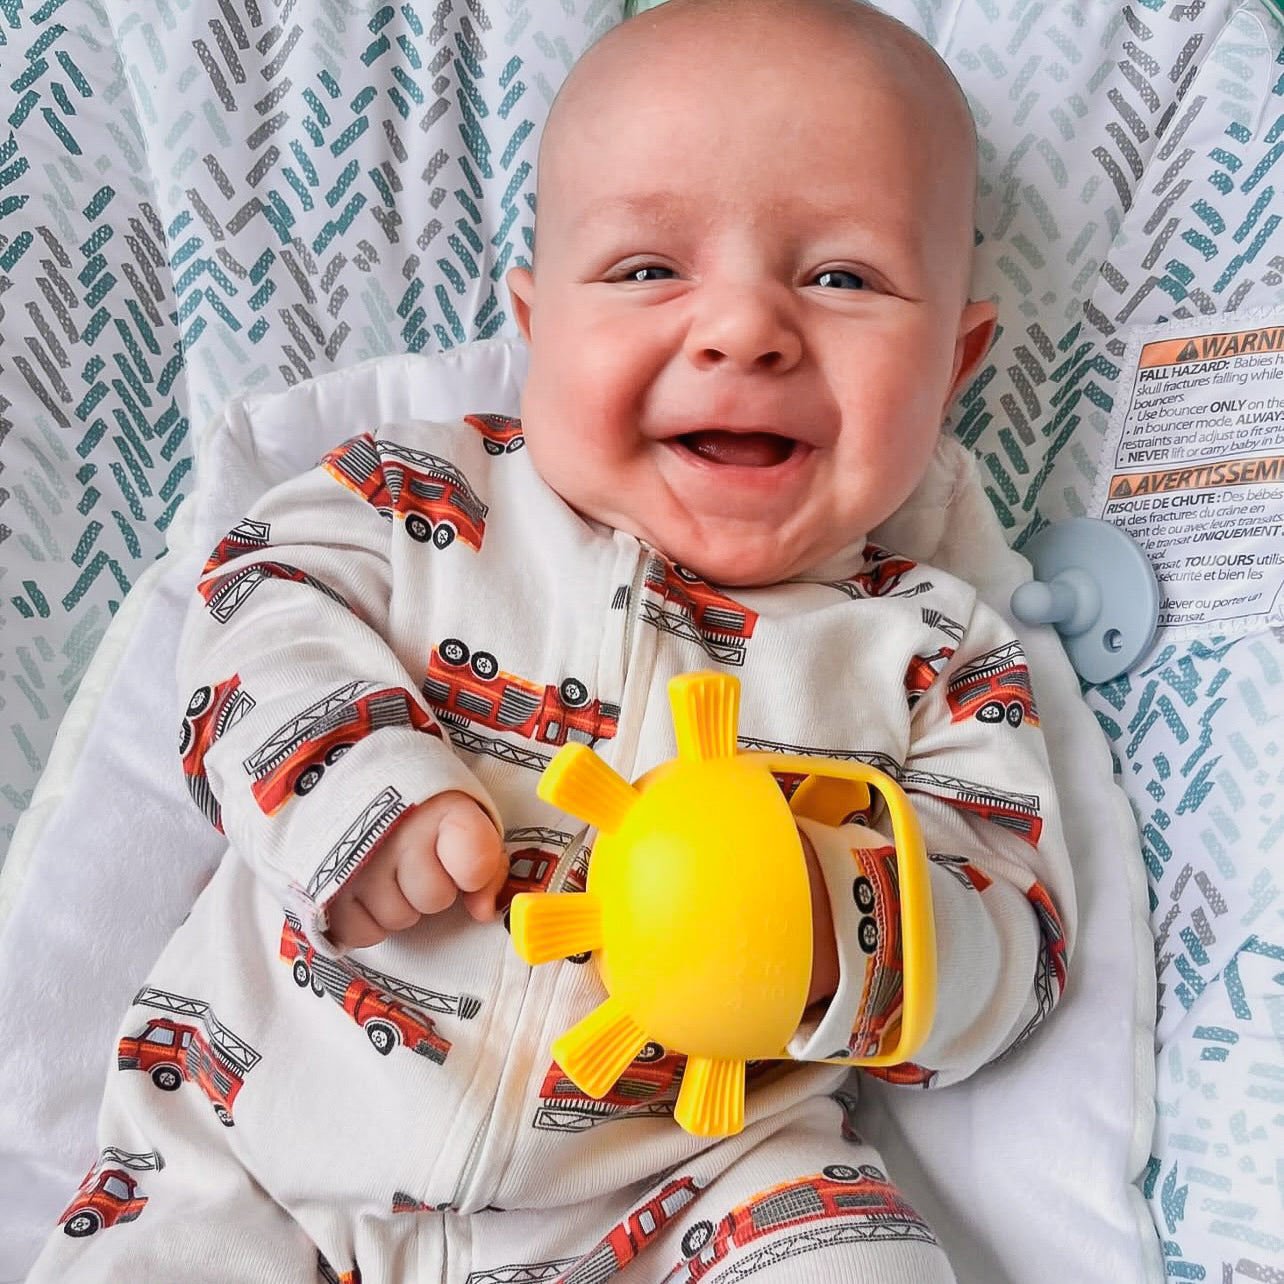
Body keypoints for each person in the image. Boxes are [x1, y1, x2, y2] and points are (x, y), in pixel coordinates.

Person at [28, 1, 1074, 1280]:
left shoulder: (930, 653)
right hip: (257, 1135)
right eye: (647, 270)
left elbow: (1019, 943)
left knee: (859, 1259)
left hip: (683, 1188)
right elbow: (250, 613)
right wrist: (364, 793)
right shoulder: (417, 505)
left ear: (956, 363)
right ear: (534, 325)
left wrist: (833, 918)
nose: (743, 330)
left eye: (841, 277)